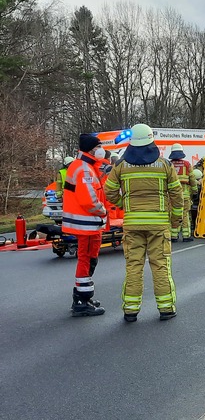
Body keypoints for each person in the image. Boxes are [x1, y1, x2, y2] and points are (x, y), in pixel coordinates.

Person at [104, 123, 183, 323]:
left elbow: (109, 192)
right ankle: (166, 309)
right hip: (158, 225)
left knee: (133, 267)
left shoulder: (121, 166)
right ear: (151, 140)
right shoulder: (165, 165)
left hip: (132, 225)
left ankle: (130, 310)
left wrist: (126, 205)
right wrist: (175, 220)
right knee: (160, 266)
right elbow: (177, 195)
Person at [62, 134, 108, 317]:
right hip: (86, 223)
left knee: (89, 259)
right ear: (91, 149)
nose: (101, 149)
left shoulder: (86, 166)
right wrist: (103, 211)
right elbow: (89, 200)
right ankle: (82, 301)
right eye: (98, 146)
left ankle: (83, 297)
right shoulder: (84, 170)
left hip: (88, 224)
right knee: (86, 259)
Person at [168, 143, 198, 242]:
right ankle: (186, 236)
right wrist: (195, 191)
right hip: (184, 195)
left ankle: (173, 236)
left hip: (171, 196)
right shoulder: (187, 164)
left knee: (173, 215)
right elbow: (192, 179)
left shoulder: (169, 164)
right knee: (184, 215)